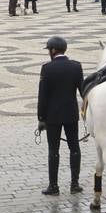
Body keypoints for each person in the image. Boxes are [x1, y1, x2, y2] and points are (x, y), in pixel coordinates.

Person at [37, 36, 84, 195]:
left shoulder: (47, 68)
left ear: (53, 50)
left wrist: (41, 118)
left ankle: (54, 186)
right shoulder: (76, 67)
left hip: (53, 116)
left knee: (53, 150)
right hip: (71, 113)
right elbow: (83, 92)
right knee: (74, 148)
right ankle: (75, 184)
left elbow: (42, 97)